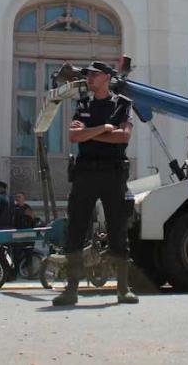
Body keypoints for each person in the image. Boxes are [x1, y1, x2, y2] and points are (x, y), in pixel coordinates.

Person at [52, 61, 138, 306]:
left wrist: (89, 132)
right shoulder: (83, 104)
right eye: (88, 74)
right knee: (77, 228)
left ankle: (123, 288)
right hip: (85, 173)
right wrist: (103, 128)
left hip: (113, 174)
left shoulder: (122, 104)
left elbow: (124, 137)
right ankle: (71, 289)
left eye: (94, 74)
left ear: (108, 77)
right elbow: (73, 136)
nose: (89, 77)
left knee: (118, 229)